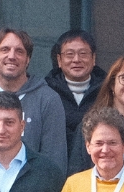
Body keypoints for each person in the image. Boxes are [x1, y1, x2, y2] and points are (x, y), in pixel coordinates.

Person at [0, 28, 69, 171]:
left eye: (19, 51)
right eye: (5, 49)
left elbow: (55, 159)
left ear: (28, 59)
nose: (12, 56)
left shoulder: (48, 99)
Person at [44, 29, 103, 158]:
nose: (76, 60)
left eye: (83, 53)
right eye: (69, 54)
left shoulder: (108, 91)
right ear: (59, 60)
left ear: (93, 58)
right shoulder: (45, 92)